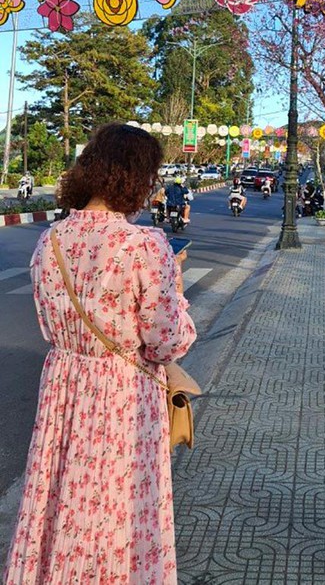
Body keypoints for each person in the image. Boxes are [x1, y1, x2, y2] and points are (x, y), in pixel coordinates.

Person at [3, 123, 197, 584]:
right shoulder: (145, 245)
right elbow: (170, 340)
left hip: (63, 386)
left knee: (60, 497)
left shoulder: (48, 241)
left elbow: (48, 318)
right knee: (116, 506)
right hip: (120, 396)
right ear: (134, 177)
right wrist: (180, 296)